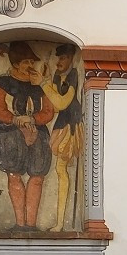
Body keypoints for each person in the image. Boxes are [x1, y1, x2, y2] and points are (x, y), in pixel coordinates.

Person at [0, 41, 53, 231]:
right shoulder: (3, 82)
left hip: (38, 134)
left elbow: (49, 111)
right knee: (14, 174)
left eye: (31, 61)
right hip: (8, 134)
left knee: (38, 176)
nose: (30, 66)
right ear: (15, 63)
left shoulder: (38, 84)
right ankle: (20, 224)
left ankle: (31, 225)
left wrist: (32, 119)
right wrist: (15, 120)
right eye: (25, 62)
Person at [39, 43, 84, 232]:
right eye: (58, 58)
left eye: (63, 58)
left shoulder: (73, 75)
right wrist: (49, 82)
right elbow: (56, 106)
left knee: (61, 170)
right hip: (61, 124)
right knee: (60, 171)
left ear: (71, 59)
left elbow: (63, 103)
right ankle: (60, 222)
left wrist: (44, 85)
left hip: (71, 125)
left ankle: (60, 223)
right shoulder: (57, 76)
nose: (59, 62)